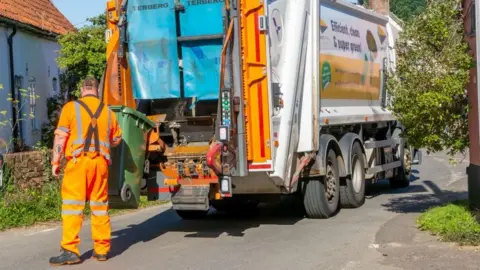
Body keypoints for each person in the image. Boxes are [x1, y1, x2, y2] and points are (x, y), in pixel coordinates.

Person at [49, 76, 122, 266]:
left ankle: (70, 250)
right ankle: (102, 250)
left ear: (82, 89)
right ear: (96, 90)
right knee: (99, 207)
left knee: (73, 206)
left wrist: (55, 161)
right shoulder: (108, 112)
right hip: (100, 164)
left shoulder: (70, 108)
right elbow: (116, 139)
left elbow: (60, 137)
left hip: (78, 162)